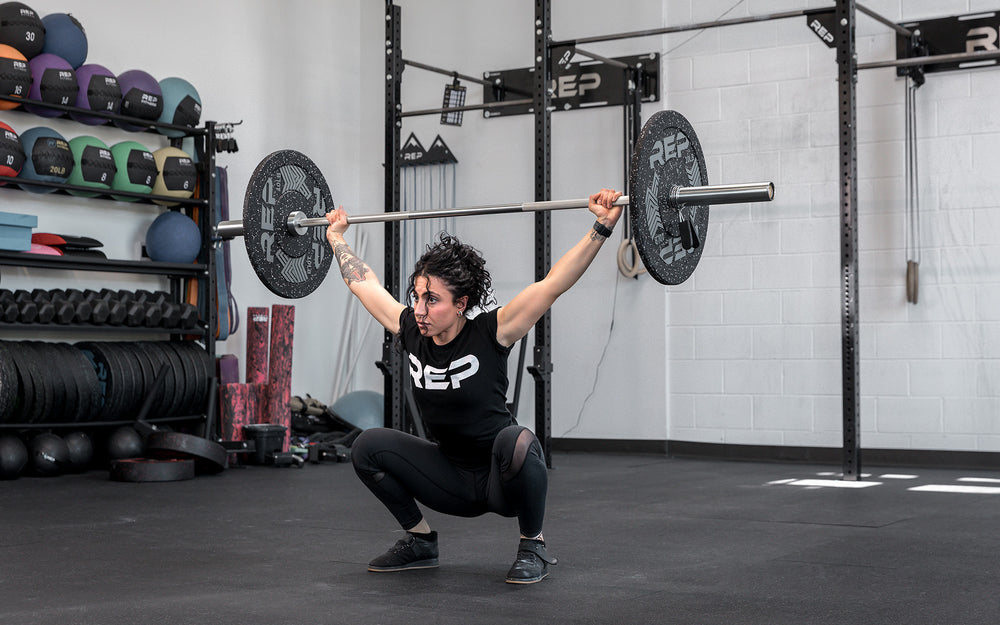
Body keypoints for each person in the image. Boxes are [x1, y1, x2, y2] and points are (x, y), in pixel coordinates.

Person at [324, 187, 622, 584]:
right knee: (367, 447)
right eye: (416, 296)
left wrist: (601, 227)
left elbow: (553, 284)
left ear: (461, 304)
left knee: (517, 440)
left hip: (503, 479)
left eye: (432, 300)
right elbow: (363, 283)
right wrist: (336, 237)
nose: (419, 308)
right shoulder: (410, 328)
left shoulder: (493, 331)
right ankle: (420, 542)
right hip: (449, 477)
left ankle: (533, 544)